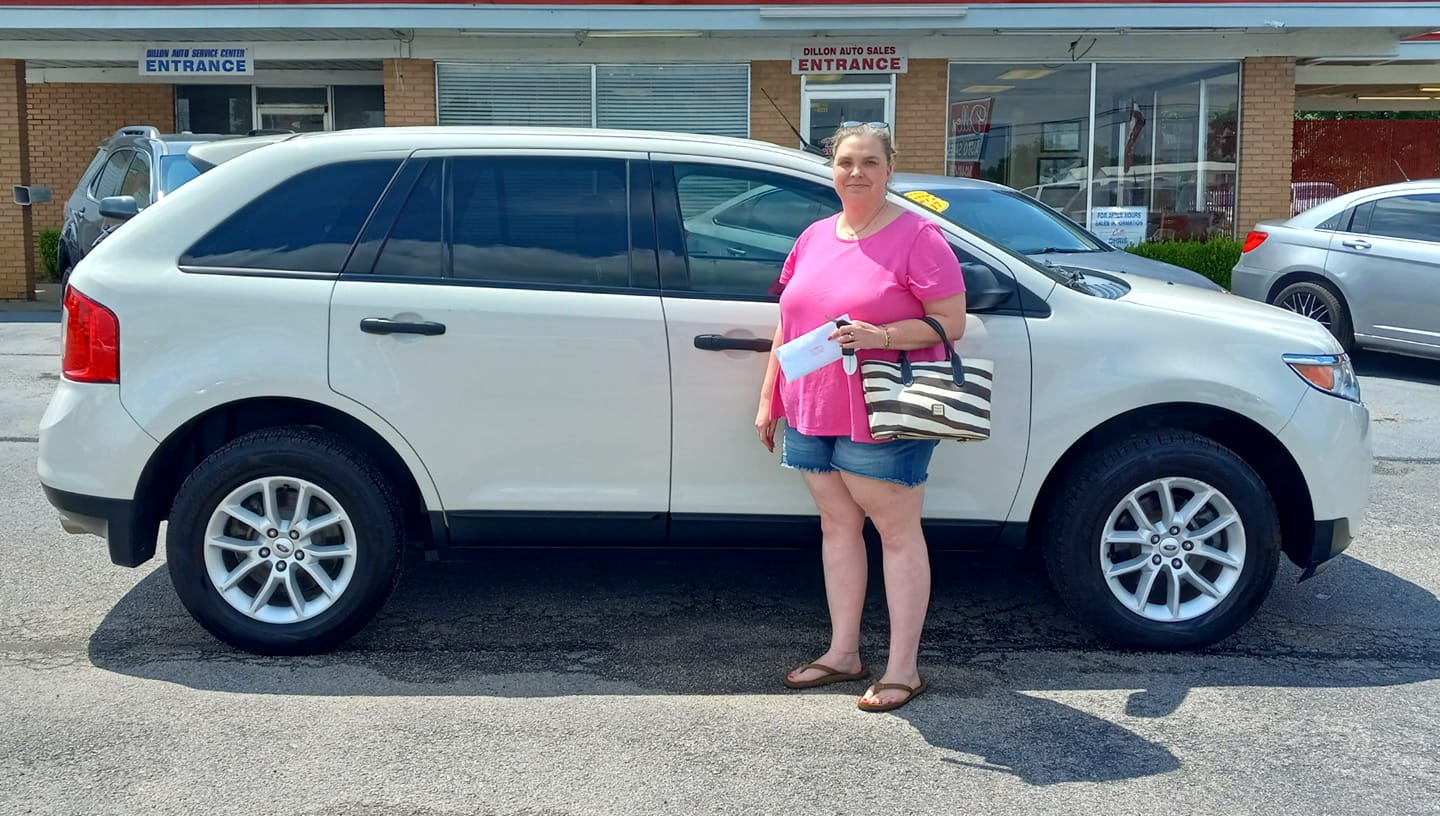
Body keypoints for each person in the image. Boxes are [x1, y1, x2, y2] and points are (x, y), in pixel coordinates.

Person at [754, 122, 967, 713]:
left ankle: (903, 670)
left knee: (896, 533)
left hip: (881, 408)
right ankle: (843, 654)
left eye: (870, 162)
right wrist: (770, 396)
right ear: (832, 169)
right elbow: (788, 320)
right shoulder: (815, 236)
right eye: (846, 161)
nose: (856, 172)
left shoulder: (918, 235)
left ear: (889, 169)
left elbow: (951, 322)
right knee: (837, 527)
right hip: (812, 405)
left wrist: (882, 335)